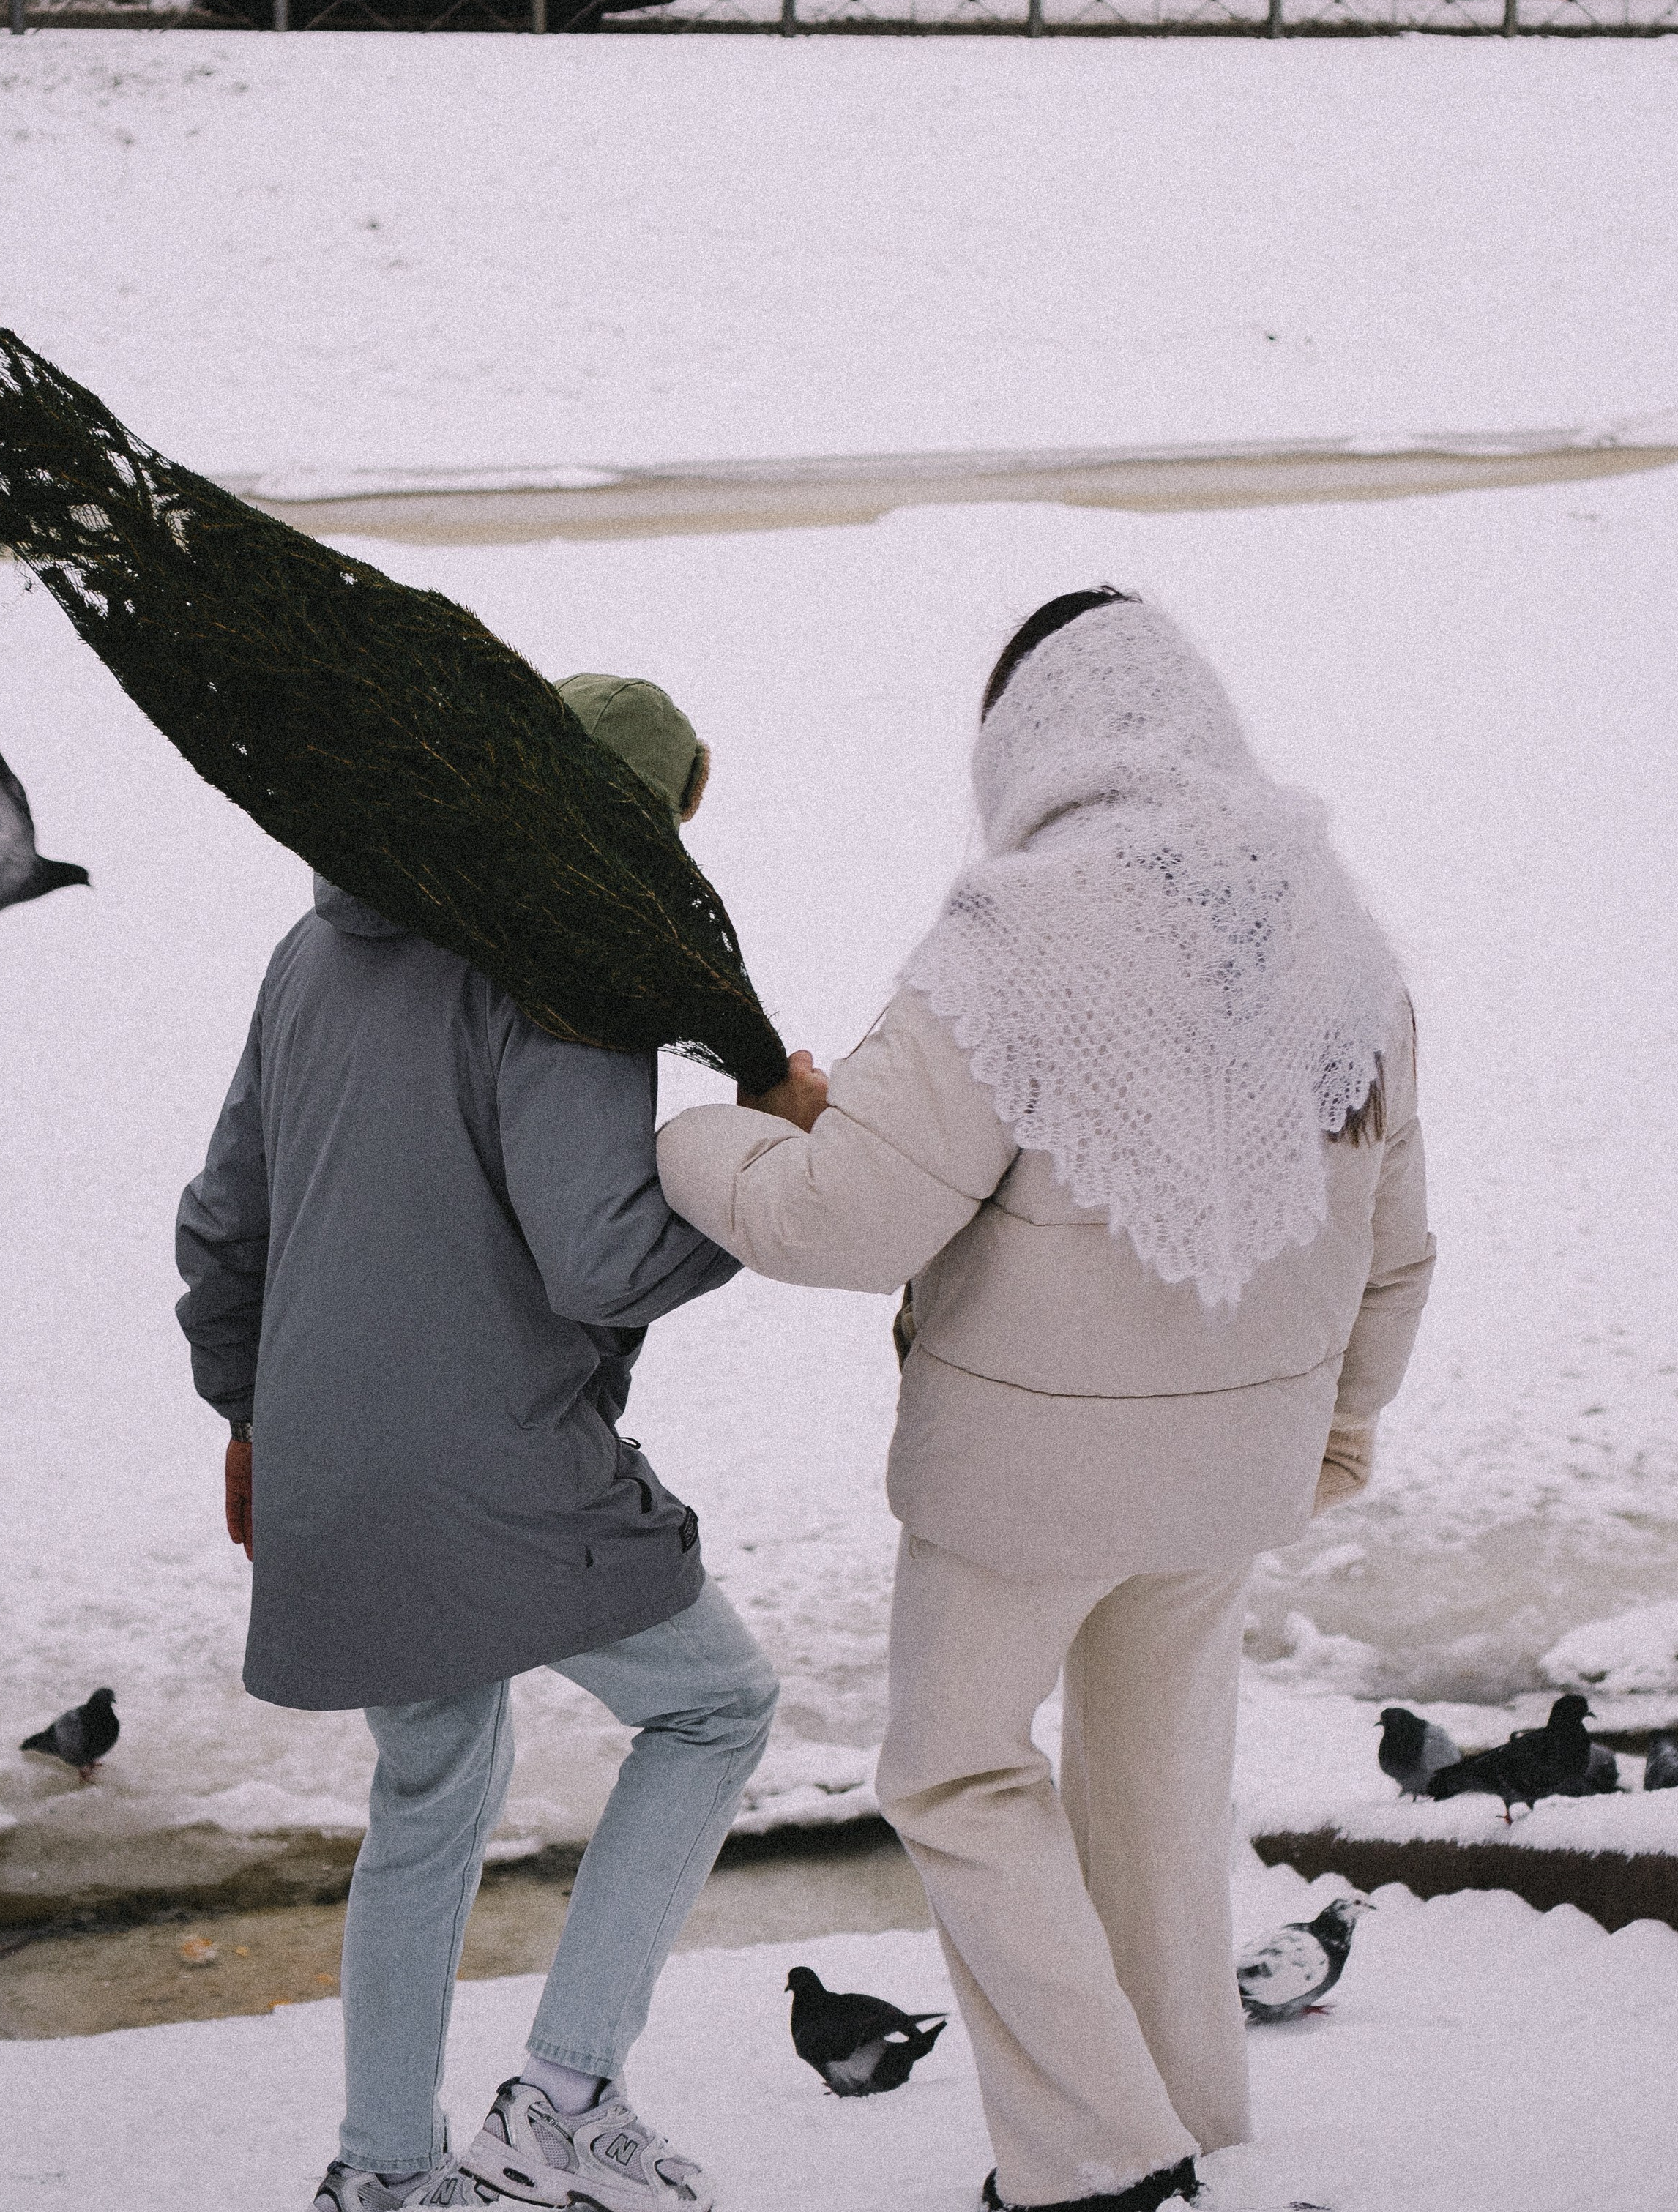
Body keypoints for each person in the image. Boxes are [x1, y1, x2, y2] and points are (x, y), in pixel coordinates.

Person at [657, 590, 1436, 2212]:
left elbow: (842, 1219)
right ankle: (1184, 2111)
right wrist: (1337, 1429)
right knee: (1153, 1787)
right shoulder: (1335, 934)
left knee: (951, 1772)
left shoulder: (1007, 944)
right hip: (1235, 1464)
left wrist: (690, 1138)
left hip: (1020, 1483)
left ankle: (1098, 2158)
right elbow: (1394, 1244)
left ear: (1025, 746)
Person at [176, 673, 812, 2212]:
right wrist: (765, 1167)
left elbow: (225, 1218)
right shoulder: (562, 969)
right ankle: (566, 2096)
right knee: (716, 1707)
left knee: (430, 1787)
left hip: (336, 1453)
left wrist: (251, 1414)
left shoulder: (318, 944)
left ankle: (388, 2174)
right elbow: (597, 1260)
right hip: (500, 1461)